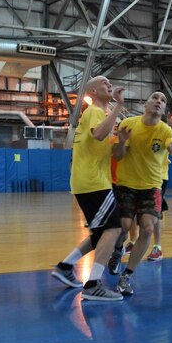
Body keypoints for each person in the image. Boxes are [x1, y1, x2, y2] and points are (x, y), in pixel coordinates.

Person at [51, 75, 125, 301]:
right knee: (114, 229)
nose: (109, 85)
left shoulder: (101, 115)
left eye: (109, 82)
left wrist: (121, 140)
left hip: (93, 181)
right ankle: (93, 284)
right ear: (92, 92)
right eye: (104, 83)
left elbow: (115, 153)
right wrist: (119, 106)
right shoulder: (94, 111)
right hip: (93, 182)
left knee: (102, 232)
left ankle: (65, 266)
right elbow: (100, 133)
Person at [111, 92, 172, 295]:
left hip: (151, 186)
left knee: (147, 228)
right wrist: (122, 141)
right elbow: (117, 155)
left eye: (163, 100)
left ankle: (127, 275)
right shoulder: (128, 123)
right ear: (145, 103)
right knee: (124, 226)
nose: (159, 101)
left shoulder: (166, 130)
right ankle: (117, 250)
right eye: (155, 97)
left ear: (164, 110)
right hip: (126, 184)